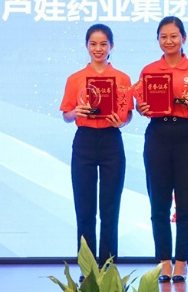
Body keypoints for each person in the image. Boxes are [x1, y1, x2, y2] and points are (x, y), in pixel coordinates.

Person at [136, 15, 188, 283]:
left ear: (184, 38)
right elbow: (140, 104)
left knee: (187, 202)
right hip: (157, 134)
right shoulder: (149, 70)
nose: (168, 41)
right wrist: (141, 108)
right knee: (158, 202)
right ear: (158, 40)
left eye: (173, 36)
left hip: (187, 135)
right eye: (163, 36)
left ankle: (181, 262)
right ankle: (164, 262)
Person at [60, 24, 133, 265]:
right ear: (86, 46)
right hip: (85, 140)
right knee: (85, 208)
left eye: (103, 44)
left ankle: (109, 266)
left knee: (110, 208)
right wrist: (75, 112)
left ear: (112, 46)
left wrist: (122, 121)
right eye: (93, 44)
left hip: (111, 140)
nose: (98, 48)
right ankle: (88, 267)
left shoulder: (122, 78)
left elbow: (128, 114)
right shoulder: (75, 79)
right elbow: (66, 114)